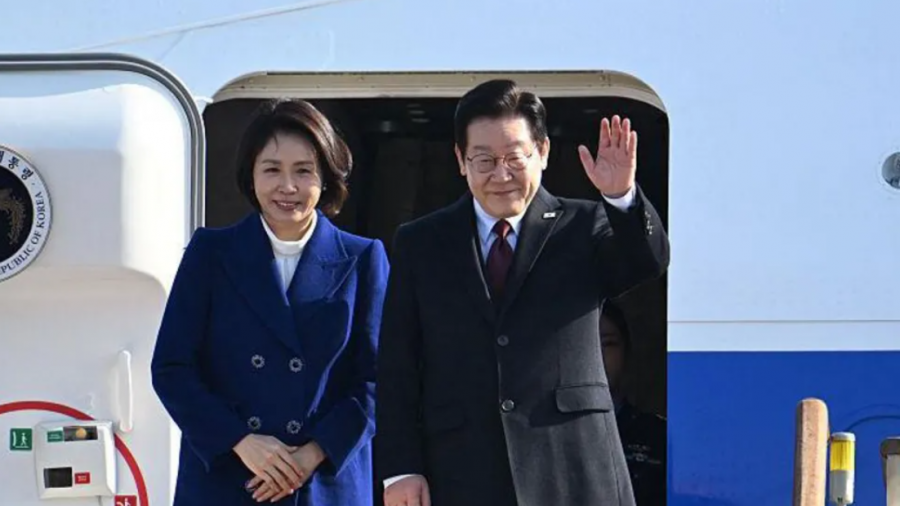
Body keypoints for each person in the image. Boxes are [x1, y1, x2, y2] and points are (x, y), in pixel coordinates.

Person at [375, 78, 670, 506]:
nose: (501, 175)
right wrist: (401, 468)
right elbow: (397, 364)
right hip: (461, 469)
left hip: (573, 468)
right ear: (460, 160)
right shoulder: (422, 242)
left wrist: (621, 197)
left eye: (515, 157)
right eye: (484, 160)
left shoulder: (584, 226)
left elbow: (647, 262)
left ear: (543, 152)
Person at [151, 99, 389, 506]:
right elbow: (172, 368)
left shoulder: (363, 258)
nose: (288, 186)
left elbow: (379, 378)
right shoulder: (210, 253)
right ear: (251, 174)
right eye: (272, 169)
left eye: (304, 171)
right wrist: (240, 440)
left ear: (326, 177)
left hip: (322, 485)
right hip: (228, 479)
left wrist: (310, 454)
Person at [600, 301, 666, 506]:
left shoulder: (660, 435)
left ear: (626, 351)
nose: (596, 355)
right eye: (582, 345)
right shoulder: (541, 437)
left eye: (608, 343)